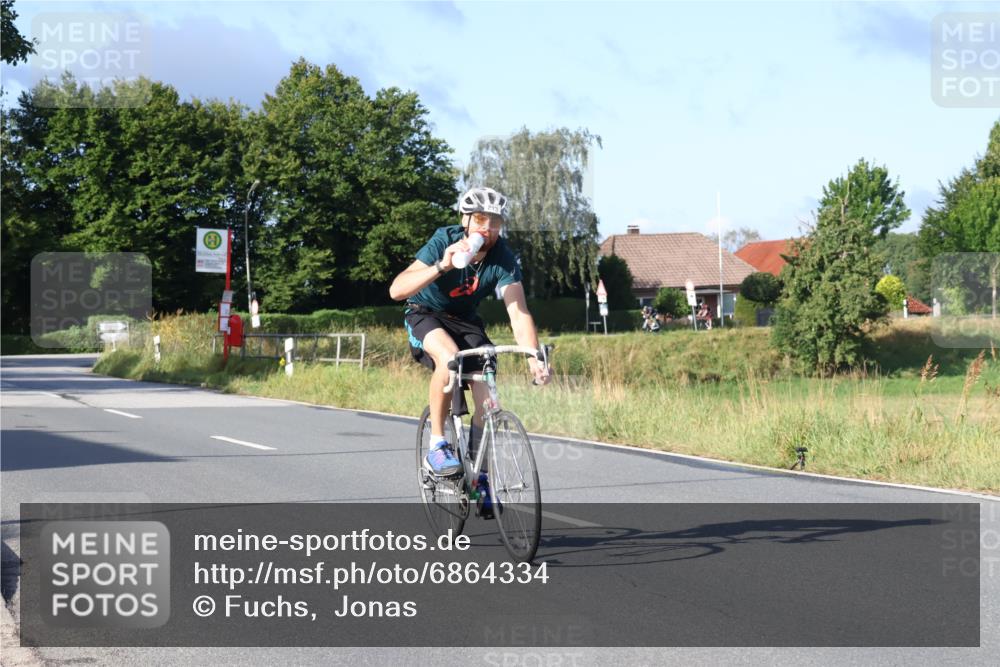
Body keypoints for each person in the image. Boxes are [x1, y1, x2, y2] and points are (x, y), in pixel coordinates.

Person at [389, 186, 551, 480]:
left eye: (495, 222)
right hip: (425, 313)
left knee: (487, 388)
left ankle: (479, 475)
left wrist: (533, 358)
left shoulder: (503, 257)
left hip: (465, 321)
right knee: (449, 358)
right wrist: (442, 265)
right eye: (479, 220)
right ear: (464, 220)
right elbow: (397, 290)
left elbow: (518, 312)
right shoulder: (444, 239)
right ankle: (437, 445)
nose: (486, 228)